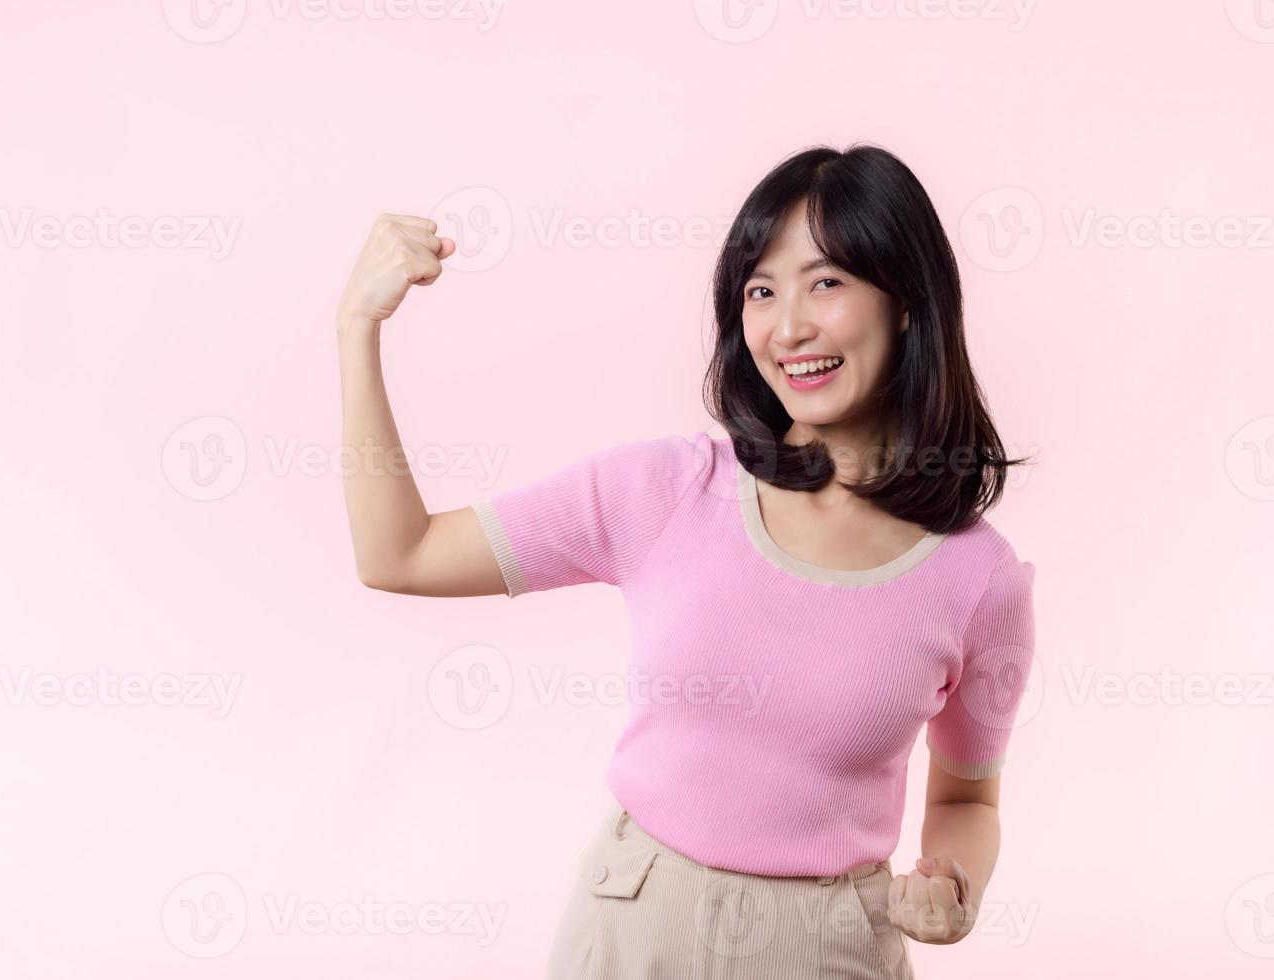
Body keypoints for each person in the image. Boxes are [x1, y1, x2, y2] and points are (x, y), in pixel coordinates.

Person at [336, 143, 1038, 980]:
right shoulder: (663, 491)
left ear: (907, 304)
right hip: (633, 927)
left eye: (827, 282)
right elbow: (401, 553)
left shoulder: (978, 581)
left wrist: (955, 881)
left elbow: (965, 798)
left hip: (829, 949)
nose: (788, 327)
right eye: (760, 291)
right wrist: (357, 329)